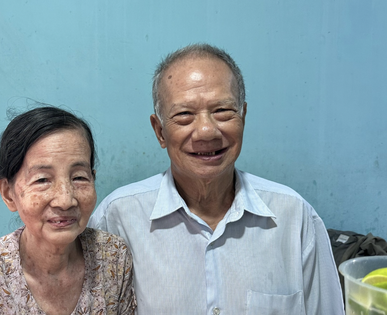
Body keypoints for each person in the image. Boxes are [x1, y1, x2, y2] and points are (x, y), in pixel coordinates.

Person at [88, 43, 344, 314]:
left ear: (243, 117)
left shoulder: (294, 216)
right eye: (184, 115)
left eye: (222, 111)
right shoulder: (117, 218)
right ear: (160, 131)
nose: (206, 131)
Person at [0, 106, 137, 314]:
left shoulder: (112, 258)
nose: (65, 200)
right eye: (42, 179)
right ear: (9, 194)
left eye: (79, 177)